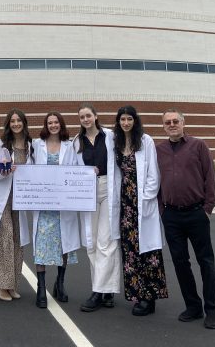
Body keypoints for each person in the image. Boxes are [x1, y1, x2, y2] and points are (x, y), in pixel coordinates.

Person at [156, 108, 215, 329]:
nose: (172, 125)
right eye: (167, 122)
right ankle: (193, 306)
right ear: (164, 126)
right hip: (171, 216)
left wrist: (207, 209)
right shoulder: (159, 150)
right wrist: (162, 209)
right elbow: (155, 180)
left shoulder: (198, 146)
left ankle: (212, 310)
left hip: (196, 213)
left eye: (175, 121)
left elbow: (210, 176)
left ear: (183, 123)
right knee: (180, 263)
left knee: (206, 262)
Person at [114, 105, 167, 316]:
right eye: (122, 119)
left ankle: (149, 297)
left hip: (142, 202)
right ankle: (137, 294)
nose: (126, 123)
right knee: (130, 251)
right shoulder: (116, 142)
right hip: (125, 205)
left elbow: (154, 174)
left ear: (135, 121)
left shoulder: (145, 141)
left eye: (129, 119)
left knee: (148, 252)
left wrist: (145, 199)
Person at [0, 109, 33, 301]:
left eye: (19, 120)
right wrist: (3, 172)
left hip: (21, 199)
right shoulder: (0, 145)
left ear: (24, 123)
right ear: (8, 124)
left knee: (17, 240)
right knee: (5, 237)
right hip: (3, 199)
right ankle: (1, 285)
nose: (16, 124)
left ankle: (11, 285)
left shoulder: (30, 146)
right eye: (12, 121)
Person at [31, 112, 81, 308]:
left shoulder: (70, 145)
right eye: (50, 123)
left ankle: (60, 283)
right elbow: (29, 167)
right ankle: (41, 287)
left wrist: (89, 172)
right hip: (44, 204)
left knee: (63, 244)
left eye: (56, 122)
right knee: (41, 244)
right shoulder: (37, 144)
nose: (53, 125)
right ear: (46, 125)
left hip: (63, 204)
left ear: (61, 124)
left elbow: (77, 169)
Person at [76, 103, 122, 313]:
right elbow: (72, 169)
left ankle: (98, 291)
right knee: (92, 243)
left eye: (88, 115)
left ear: (95, 116)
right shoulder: (77, 142)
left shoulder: (110, 136)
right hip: (87, 192)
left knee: (107, 242)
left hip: (108, 189)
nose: (86, 119)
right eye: (82, 117)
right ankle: (107, 290)